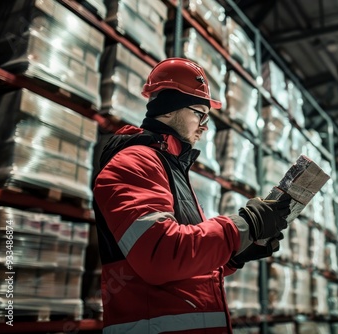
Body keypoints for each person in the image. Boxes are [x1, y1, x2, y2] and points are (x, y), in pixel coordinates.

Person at [92, 58, 291, 334]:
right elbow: (161, 255)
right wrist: (244, 225)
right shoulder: (134, 163)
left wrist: (234, 255)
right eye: (200, 113)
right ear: (168, 110)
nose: (205, 126)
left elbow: (186, 260)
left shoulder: (171, 167)